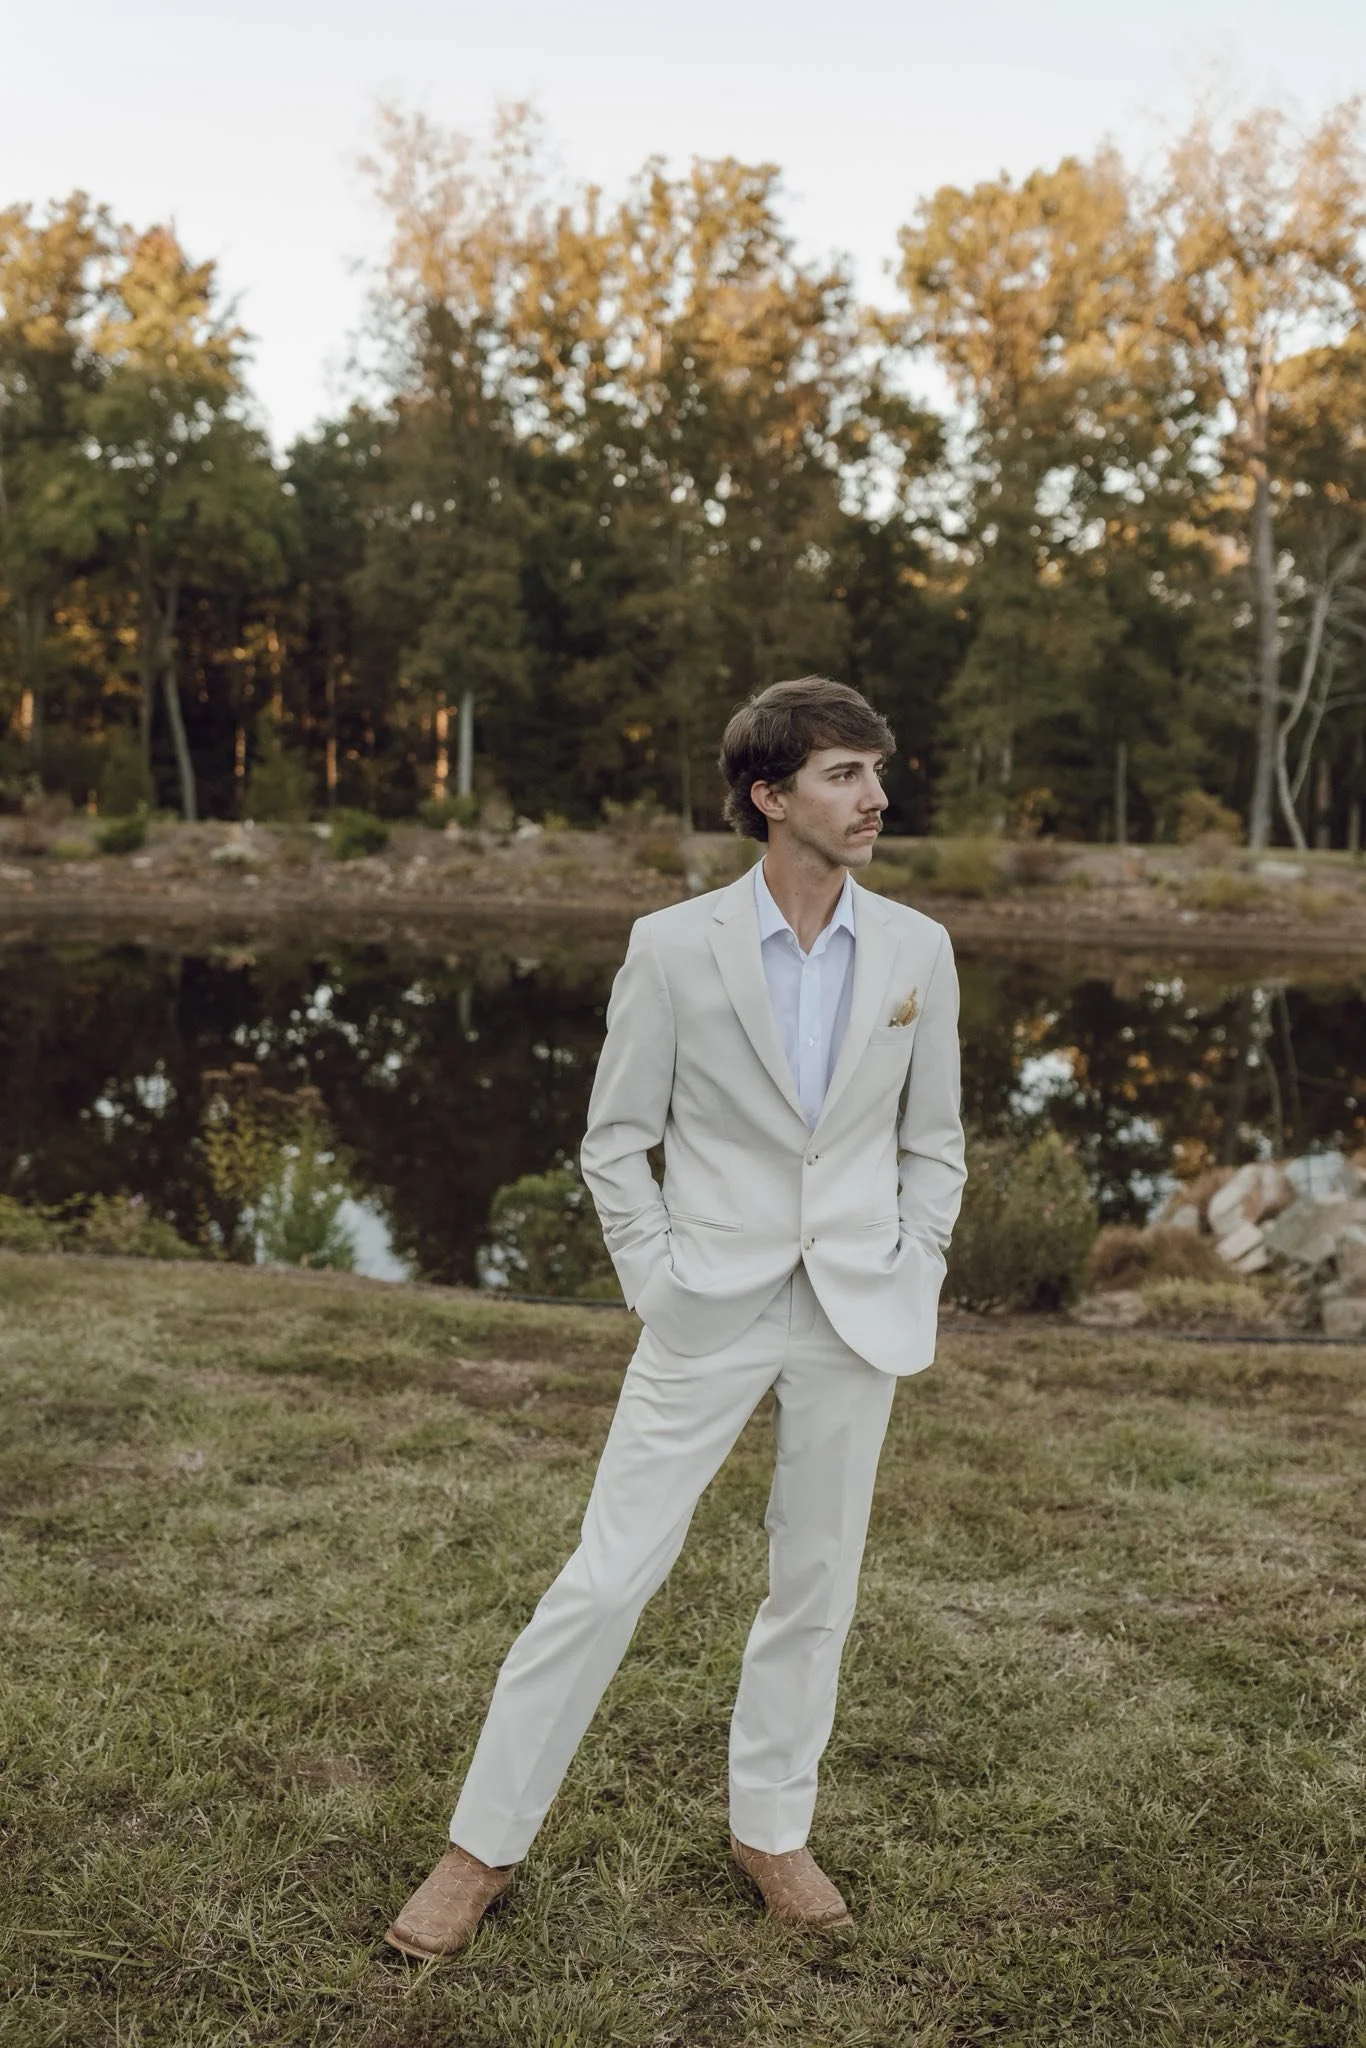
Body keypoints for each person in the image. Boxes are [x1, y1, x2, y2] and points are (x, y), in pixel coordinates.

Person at [385, 675, 966, 1958]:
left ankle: (771, 1827)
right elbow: (614, 1139)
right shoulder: (671, 945)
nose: (875, 796)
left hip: (855, 1310)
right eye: (845, 774)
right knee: (605, 1577)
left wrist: (914, 1257)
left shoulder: (917, 949)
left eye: (877, 771)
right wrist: (655, 1276)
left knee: (815, 1580)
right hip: (706, 1304)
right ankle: (480, 1846)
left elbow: (934, 1141)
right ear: (771, 795)